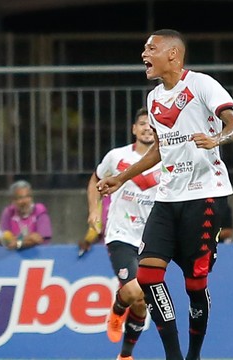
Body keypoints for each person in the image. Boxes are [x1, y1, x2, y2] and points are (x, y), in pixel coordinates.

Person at [98, 29, 233, 360]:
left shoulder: (201, 85)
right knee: (149, 275)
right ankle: (174, 356)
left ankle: (194, 354)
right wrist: (121, 178)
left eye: (151, 48)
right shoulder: (153, 98)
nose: (144, 55)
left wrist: (217, 139)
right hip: (167, 198)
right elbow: (161, 150)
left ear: (173, 55)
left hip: (205, 195)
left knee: (195, 284)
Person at [87, 107, 160, 360]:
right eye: (142, 123)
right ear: (133, 129)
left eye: (152, 124)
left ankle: (125, 356)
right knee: (133, 291)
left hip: (153, 239)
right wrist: (94, 211)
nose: (147, 128)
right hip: (121, 233)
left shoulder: (167, 160)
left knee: (140, 300)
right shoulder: (117, 156)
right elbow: (95, 180)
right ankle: (118, 309)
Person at [0, 180, 52, 250]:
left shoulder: (39, 210)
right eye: (20, 198)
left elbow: (38, 239)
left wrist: (17, 243)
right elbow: (2, 241)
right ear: (13, 200)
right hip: (13, 257)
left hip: (39, 256)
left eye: (28, 197)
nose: (25, 201)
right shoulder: (8, 212)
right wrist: (29, 237)